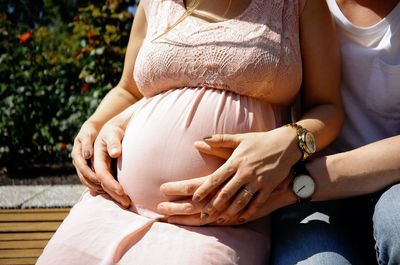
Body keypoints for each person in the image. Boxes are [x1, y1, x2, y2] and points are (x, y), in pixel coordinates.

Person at [37, 0, 343, 264]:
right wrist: (93, 124)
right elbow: (128, 90)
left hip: (222, 224)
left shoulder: (298, 5)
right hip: (113, 205)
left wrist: (292, 139)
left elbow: (327, 107)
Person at [132, 0, 400, 264]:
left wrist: (292, 177)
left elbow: (325, 107)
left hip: (367, 180)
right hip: (307, 195)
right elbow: (175, 75)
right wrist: (117, 119)